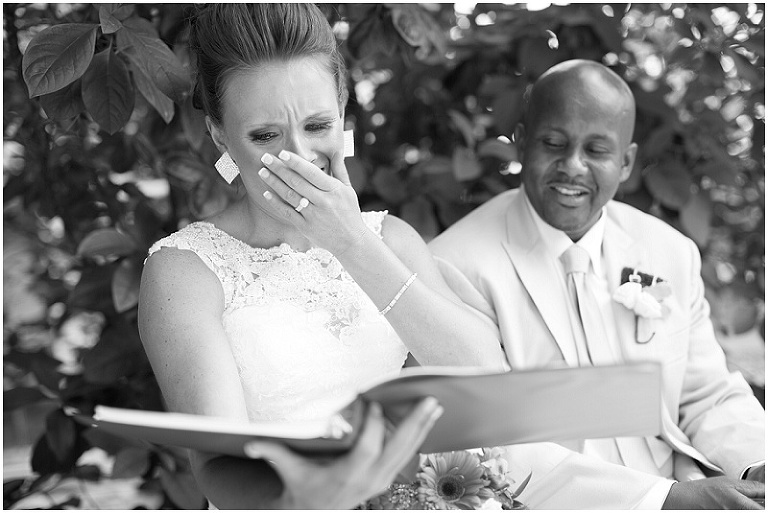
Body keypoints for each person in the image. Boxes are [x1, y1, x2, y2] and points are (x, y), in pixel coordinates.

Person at [137, 4, 507, 509]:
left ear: (343, 114)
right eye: (265, 135)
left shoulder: (389, 239)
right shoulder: (184, 270)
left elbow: (487, 378)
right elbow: (218, 467)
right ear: (220, 135)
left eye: (317, 125)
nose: (301, 156)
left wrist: (353, 244)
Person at [429, 59, 765, 509]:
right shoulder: (456, 265)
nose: (573, 166)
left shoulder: (669, 251)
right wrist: (662, 500)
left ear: (625, 162)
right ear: (523, 142)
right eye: (554, 143)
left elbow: (705, 394)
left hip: (684, 483)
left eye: (597, 150)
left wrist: (755, 464)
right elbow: (487, 442)